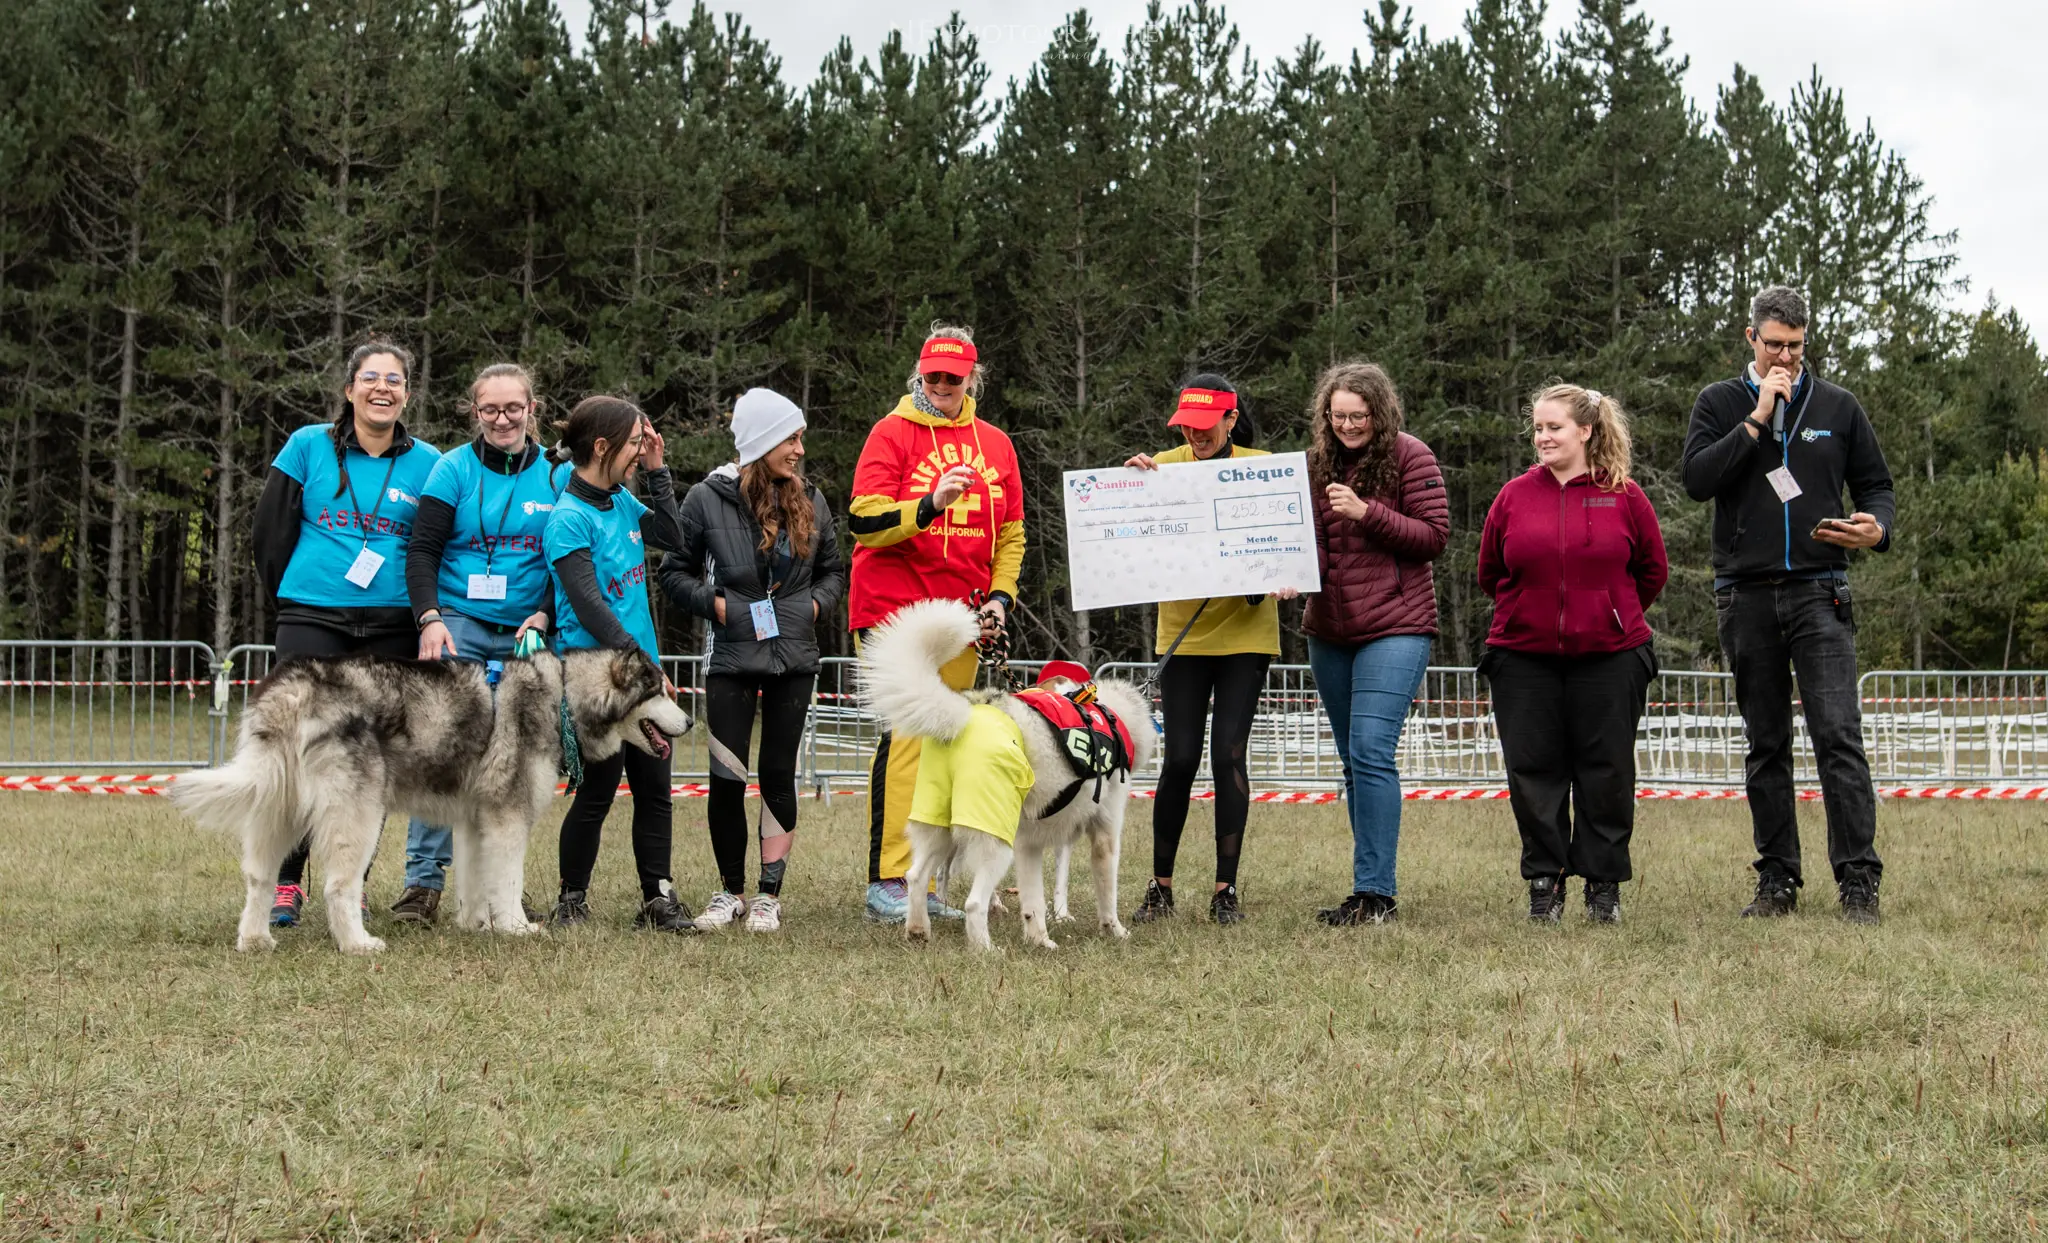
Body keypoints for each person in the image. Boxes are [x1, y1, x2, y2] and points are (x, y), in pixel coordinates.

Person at [1681, 285, 1895, 923]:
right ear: (1751, 338)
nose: (1785, 358)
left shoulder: (1839, 406)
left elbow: (1877, 485)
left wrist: (1876, 528)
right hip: (1744, 594)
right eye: (1774, 345)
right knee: (1766, 741)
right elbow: (1697, 479)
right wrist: (1755, 420)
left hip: (1820, 590)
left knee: (1838, 737)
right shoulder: (1719, 402)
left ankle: (1858, 880)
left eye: (1796, 348)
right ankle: (1777, 878)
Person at [252, 341, 441, 930]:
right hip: (313, 619)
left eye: (394, 380)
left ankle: (349, 885)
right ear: (349, 389)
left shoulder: (431, 462)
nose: (382, 388)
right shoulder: (307, 445)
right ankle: (286, 883)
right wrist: (290, 599)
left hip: (389, 630)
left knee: (369, 764)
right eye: (370, 378)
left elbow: (433, 545)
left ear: (407, 394)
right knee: (295, 750)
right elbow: (269, 533)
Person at [846, 324, 1025, 924]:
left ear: (973, 378)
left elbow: (1012, 533)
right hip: (895, 609)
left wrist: (1000, 598)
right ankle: (890, 881)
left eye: (954, 377)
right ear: (918, 374)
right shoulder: (890, 433)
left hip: (963, 615)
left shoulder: (996, 444)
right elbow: (865, 521)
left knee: (949, 744)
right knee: (909, 736)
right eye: (933, 376)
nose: (943, 386)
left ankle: (926, 879)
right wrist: (930, 506)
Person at [1478, 384, 1668, 924]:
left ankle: (1603, 886)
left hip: (1610, 657)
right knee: (1533, 772)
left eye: (1554, 427)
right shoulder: (1513, 496)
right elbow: (1490, 572)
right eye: (1537, 428)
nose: (1542, 437)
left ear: (1585, 430)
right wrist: (1531, 613)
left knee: (1604, 773)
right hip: (1523, 658)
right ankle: (1545, 883)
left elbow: (1652, 571)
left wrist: (1607, 612)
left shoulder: (1626, 496)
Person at [659, 389, 845, 933]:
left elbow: (835, 572)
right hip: (732, 658)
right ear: (761, 443)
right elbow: (674, 572)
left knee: (779, 774)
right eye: (790, 438)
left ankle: (768, 894)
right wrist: (718, 606)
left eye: (800, 437)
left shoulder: (812, 497)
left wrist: (813, 606)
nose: (799, 449)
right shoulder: (704, 498)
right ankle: (729, 891)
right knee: (726, 777)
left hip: (795, 658)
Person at [392, 362, 565, 924]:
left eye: (513, 408)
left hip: (527, 630)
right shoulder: (451, 470)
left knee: (517, 761)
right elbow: (421, 552)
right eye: (488, 409)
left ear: (531, 409)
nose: (501, 419)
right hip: (460, 620)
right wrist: (429, 619)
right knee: (443, 748)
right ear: (475, 412)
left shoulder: (557, 476)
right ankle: (423, 884)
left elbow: (571, 559)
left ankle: (502, 888)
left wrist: (545, 612)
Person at [1120, 376, 1295, 926]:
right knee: (1178, 759)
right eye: (1186, 427)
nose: (1194, 435)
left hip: (1246, 633)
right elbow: (1133, 534)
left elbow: (1287, 543)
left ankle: (1225, 890)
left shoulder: (1263, 466)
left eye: (1205, 426)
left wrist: (1284, 572)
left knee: (1228, 757)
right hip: (1184, 636)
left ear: (1230, 419)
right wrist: (1127, 490)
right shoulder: (1160, 466)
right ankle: (1160, 887)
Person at [1301, 362, 1448, 927]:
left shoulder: (1413, 456)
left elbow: (1434, 536)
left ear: (1379, 413)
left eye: (1358, 417)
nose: (1347, 426)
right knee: (1351, 761)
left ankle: (1375, 894)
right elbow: (1311, 543)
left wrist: (1369, 513)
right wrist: (1289, 575)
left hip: (1397, 624)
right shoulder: (1316, 464)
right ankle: (1365, 888)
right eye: (1337, 417)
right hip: (1330, 630)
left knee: (1369, 751)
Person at [543, 395, 696, 933]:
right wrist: (643, 673)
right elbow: (591, 607)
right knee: (597, 792)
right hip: (599, 678)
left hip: (639, 669)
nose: (639, 450)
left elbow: (675, 540)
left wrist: (657, 472)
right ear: (602, 446)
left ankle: (657, 899)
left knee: (656, 791)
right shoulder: (568, 518)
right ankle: (571, 901)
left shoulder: (622, 503)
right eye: (634, 443)